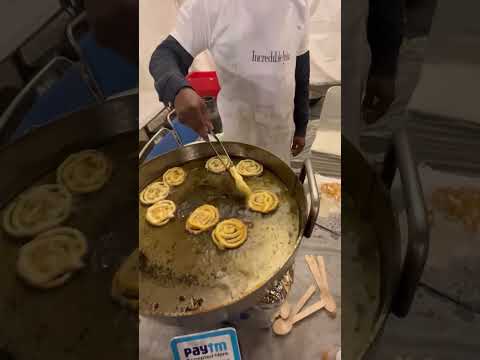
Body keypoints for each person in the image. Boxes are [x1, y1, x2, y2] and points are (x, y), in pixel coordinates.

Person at [149, 0, 311, 164]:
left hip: (281, 133)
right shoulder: (209, 5)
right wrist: (178, 90)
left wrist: (301, 126)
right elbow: (164, 55)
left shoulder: (299, 4)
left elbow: (301, 71)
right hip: (239, 138)